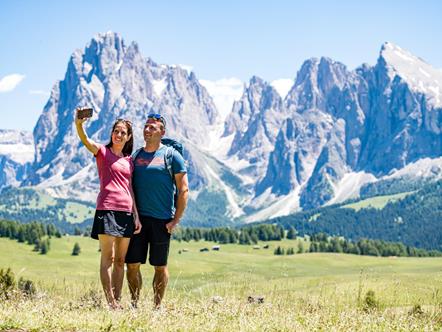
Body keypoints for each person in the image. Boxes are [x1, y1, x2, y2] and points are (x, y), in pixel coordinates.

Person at [75, 110, 141, 309]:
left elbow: (130, 188)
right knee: (108, 259)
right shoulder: (102, 152)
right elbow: (86, 140)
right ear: (112, 133)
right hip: (106, 210)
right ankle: (110, 302)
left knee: (121, 260)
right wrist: (79, 124)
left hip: (126, 213)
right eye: (116, 131)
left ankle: (118, 301)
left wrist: (136, 215)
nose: (118, 135)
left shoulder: (129, 160)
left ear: (128, 137)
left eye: (123, 132)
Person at [126, 113, 189, 309]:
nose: (147, 130)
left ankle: (156, 307)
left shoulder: (172, 156)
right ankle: (134, 305)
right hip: (138, 220)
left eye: (153, 127)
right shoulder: (136, 156)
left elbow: (183, 190)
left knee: (160, 266)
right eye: (146, 126)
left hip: (162, 220)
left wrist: (175, 221)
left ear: (162, 132)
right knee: (132, 264)